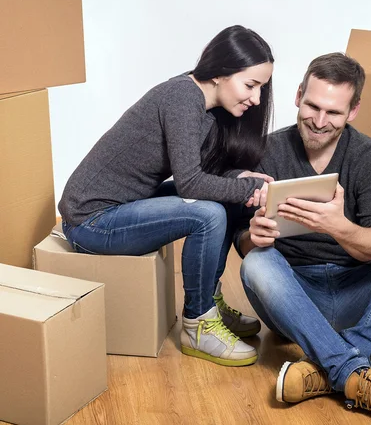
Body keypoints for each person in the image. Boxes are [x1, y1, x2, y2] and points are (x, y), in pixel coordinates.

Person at [235, 53, 371, 425]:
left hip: (360, 293)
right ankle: (356, 372)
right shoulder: (265, 151)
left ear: (353, 111)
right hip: (295, 300)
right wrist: (252, 238)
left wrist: (337, 226)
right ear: (298, 95)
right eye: (312, 105)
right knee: (256, 262)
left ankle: (330, 366)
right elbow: (243, 245)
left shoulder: (370, 156)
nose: (318, 121)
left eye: (333, 112)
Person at [58, 25, 275, 367]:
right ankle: (198, 325)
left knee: (224, 201)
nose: (257, 99)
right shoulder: (182, 97)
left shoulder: (202, 104)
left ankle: (209, 300)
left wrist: (241, 178)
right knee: (209, 213)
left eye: (261, 88)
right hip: (91, 222)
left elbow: (204, 174)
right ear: (219, 73)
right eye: (251, 85)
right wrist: (248, 187)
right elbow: (190, 184)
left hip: (126, 205)